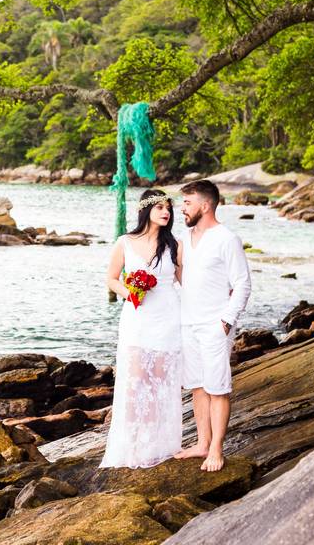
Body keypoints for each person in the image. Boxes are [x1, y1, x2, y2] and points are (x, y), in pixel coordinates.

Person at [100, 188, 184, 468]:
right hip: (137, 318)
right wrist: (130, 292)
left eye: (168, 208)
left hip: (168, 317)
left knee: (162, 381)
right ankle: (134, 446)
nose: (166, 212)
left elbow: (186, 284)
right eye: (160, 207)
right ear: (146, 210)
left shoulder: (175, 245)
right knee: (136, 383)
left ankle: (159, 445)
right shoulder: (124, 242)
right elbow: (111, 279)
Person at [174, 179, 251, 471]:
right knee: (197, 386)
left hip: (214, 324)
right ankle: (202, 443)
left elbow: (243, 284)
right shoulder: (185, 236)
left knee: (217, 387)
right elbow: (181, 274)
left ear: (205, 205)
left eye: (187, 202)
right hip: (188, 323)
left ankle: (216, 449)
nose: (182, 208)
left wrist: (226, 322)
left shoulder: (226, 238)